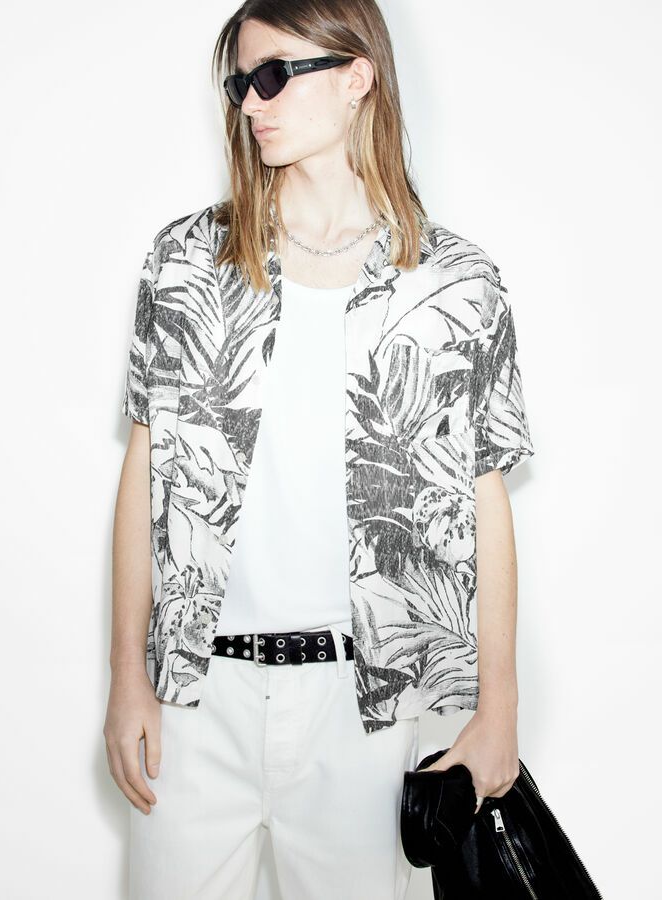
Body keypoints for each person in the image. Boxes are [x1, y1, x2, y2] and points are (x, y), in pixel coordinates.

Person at [103, 1, 536, 898]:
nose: (251, 103)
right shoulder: (185, 262)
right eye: (239, 83)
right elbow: (142, 474)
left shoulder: (457, 284)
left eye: (273, 76)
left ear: (356, 77)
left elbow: (484, 500)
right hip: (196, 697)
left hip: (364, 708)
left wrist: (499, 708)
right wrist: (125, 678)